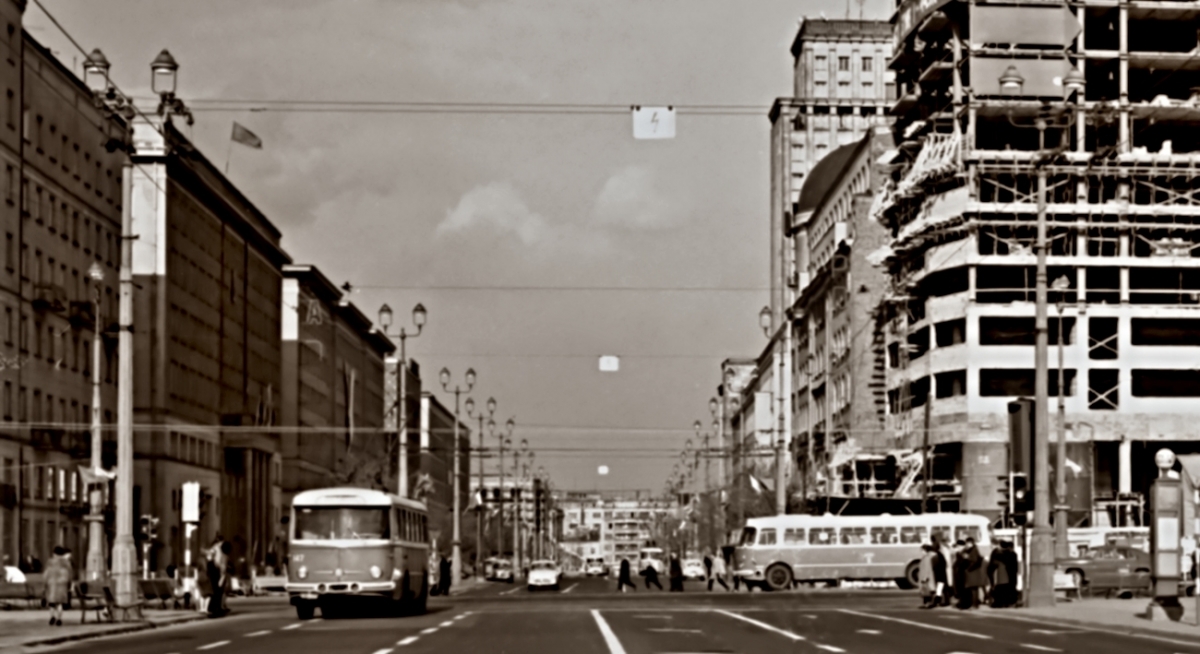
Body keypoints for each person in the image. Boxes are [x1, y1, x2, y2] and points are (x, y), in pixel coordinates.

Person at [43, 547, 71, 627]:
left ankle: (52, 616)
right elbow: (70, 575)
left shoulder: (50, 562)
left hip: (52, 584)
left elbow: (46, 574)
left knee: (51, 603)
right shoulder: (66, 563)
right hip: (62, 585)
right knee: (60, 604)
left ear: (54, 553)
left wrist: (45, 583)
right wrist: (68, 584)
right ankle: (59, 619)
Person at [988, 540, 1019, 608]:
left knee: (1002, 588)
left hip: (1003, 575)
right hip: (1008, 575)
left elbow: (993, 564)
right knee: (1006, 588)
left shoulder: (999, 554)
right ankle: (1007, 602)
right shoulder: (1010, 554)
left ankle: (1001, 602)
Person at [960, 538, 986, 610]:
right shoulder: (972, 549)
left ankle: (974, 604)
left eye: (967, 543)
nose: (966, 545)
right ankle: (974, 604)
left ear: (971, 543)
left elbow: (974, 560)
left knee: (973, 588)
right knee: (973, 588)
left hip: (972, 571)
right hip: (973, 571)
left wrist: (968, 559)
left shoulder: (974, 550)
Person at [206, 535, 226, 617]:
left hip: (214, 569)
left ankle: (214, 608)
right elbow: (216, 560)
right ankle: (214, 609)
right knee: (217, 590)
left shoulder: (215, 548)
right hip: (215, 570)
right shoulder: (217, 549)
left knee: (217, 590)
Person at [917, 544, 937, 608]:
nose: (921, 552)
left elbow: (927, 568)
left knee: (927, 591)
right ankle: (926, 603)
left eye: (922, 550)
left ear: (925, 550)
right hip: (924, 576)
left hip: (926, 577)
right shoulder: (925, 557)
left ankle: (929, 603)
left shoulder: (927, 558)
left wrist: (925, 577)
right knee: (925, 591)